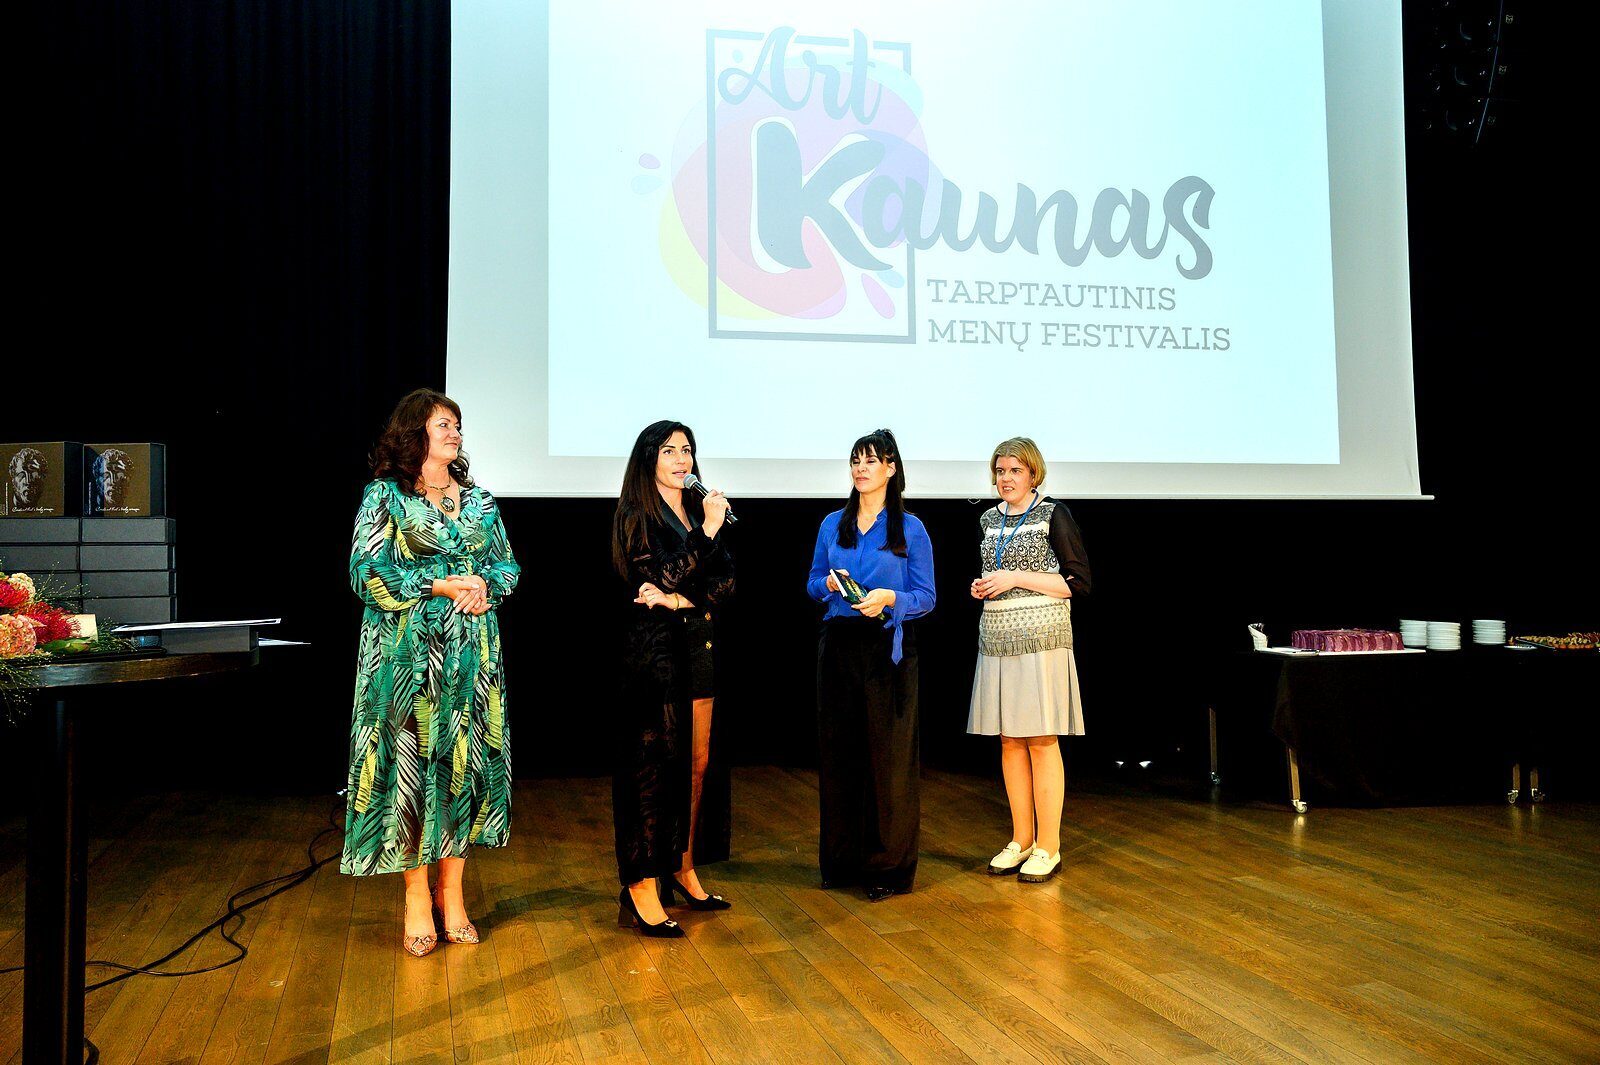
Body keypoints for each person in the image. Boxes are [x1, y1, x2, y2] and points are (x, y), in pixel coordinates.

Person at [341, 388, 520, 957]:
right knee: (411, 773)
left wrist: (487, 586)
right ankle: (417, 897)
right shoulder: (385, 496)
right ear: (413, 431)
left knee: (465, 768)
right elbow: (365, 571)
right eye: (443, 424)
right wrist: (437, 585)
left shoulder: (481, 501)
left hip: (472, 657)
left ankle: (453, 894)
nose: (454, 433)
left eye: (457, 425)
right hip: (407, 657)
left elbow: (508, 565)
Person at [611, 420, 735, 937]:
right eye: (669, 451)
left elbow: (725, 583)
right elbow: (656, 575)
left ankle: (683, 866)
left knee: (697, 765)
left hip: (697, 646)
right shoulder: (636, 514)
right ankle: (641, 882)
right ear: (649, 459)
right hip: (654, 658)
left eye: (687, 450)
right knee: (653, 768)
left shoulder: (697, 510)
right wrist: (705, 533)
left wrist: (681, 601)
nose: (682, 459)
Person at [805, 429, 936, 901]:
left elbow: (926, 596)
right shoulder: (831, 523)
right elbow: (812, 582)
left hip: (888, 648)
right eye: (855, 461)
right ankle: (841, 861)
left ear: (891, 469)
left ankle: (888, 869)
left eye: (871, 461)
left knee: (888, 759)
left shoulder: (911, 528)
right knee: (840, 754)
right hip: (839, 644)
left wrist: (889, 598)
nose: (861, 468)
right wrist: (829, 586)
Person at [967, 437, 1091, 884]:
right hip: (998, 638)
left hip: (1041, 640)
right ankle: (1021, 839)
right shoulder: (988, 519)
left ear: (1033, 474)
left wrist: (1016, 577)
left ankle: (1049, 846)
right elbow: (995, 575)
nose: (1006, 479)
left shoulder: (1053, 515)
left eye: (1015, 470)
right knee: (1009, 740)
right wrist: (984, 587)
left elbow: (1078, 583)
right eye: (1000, 471)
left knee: (1040, 738)